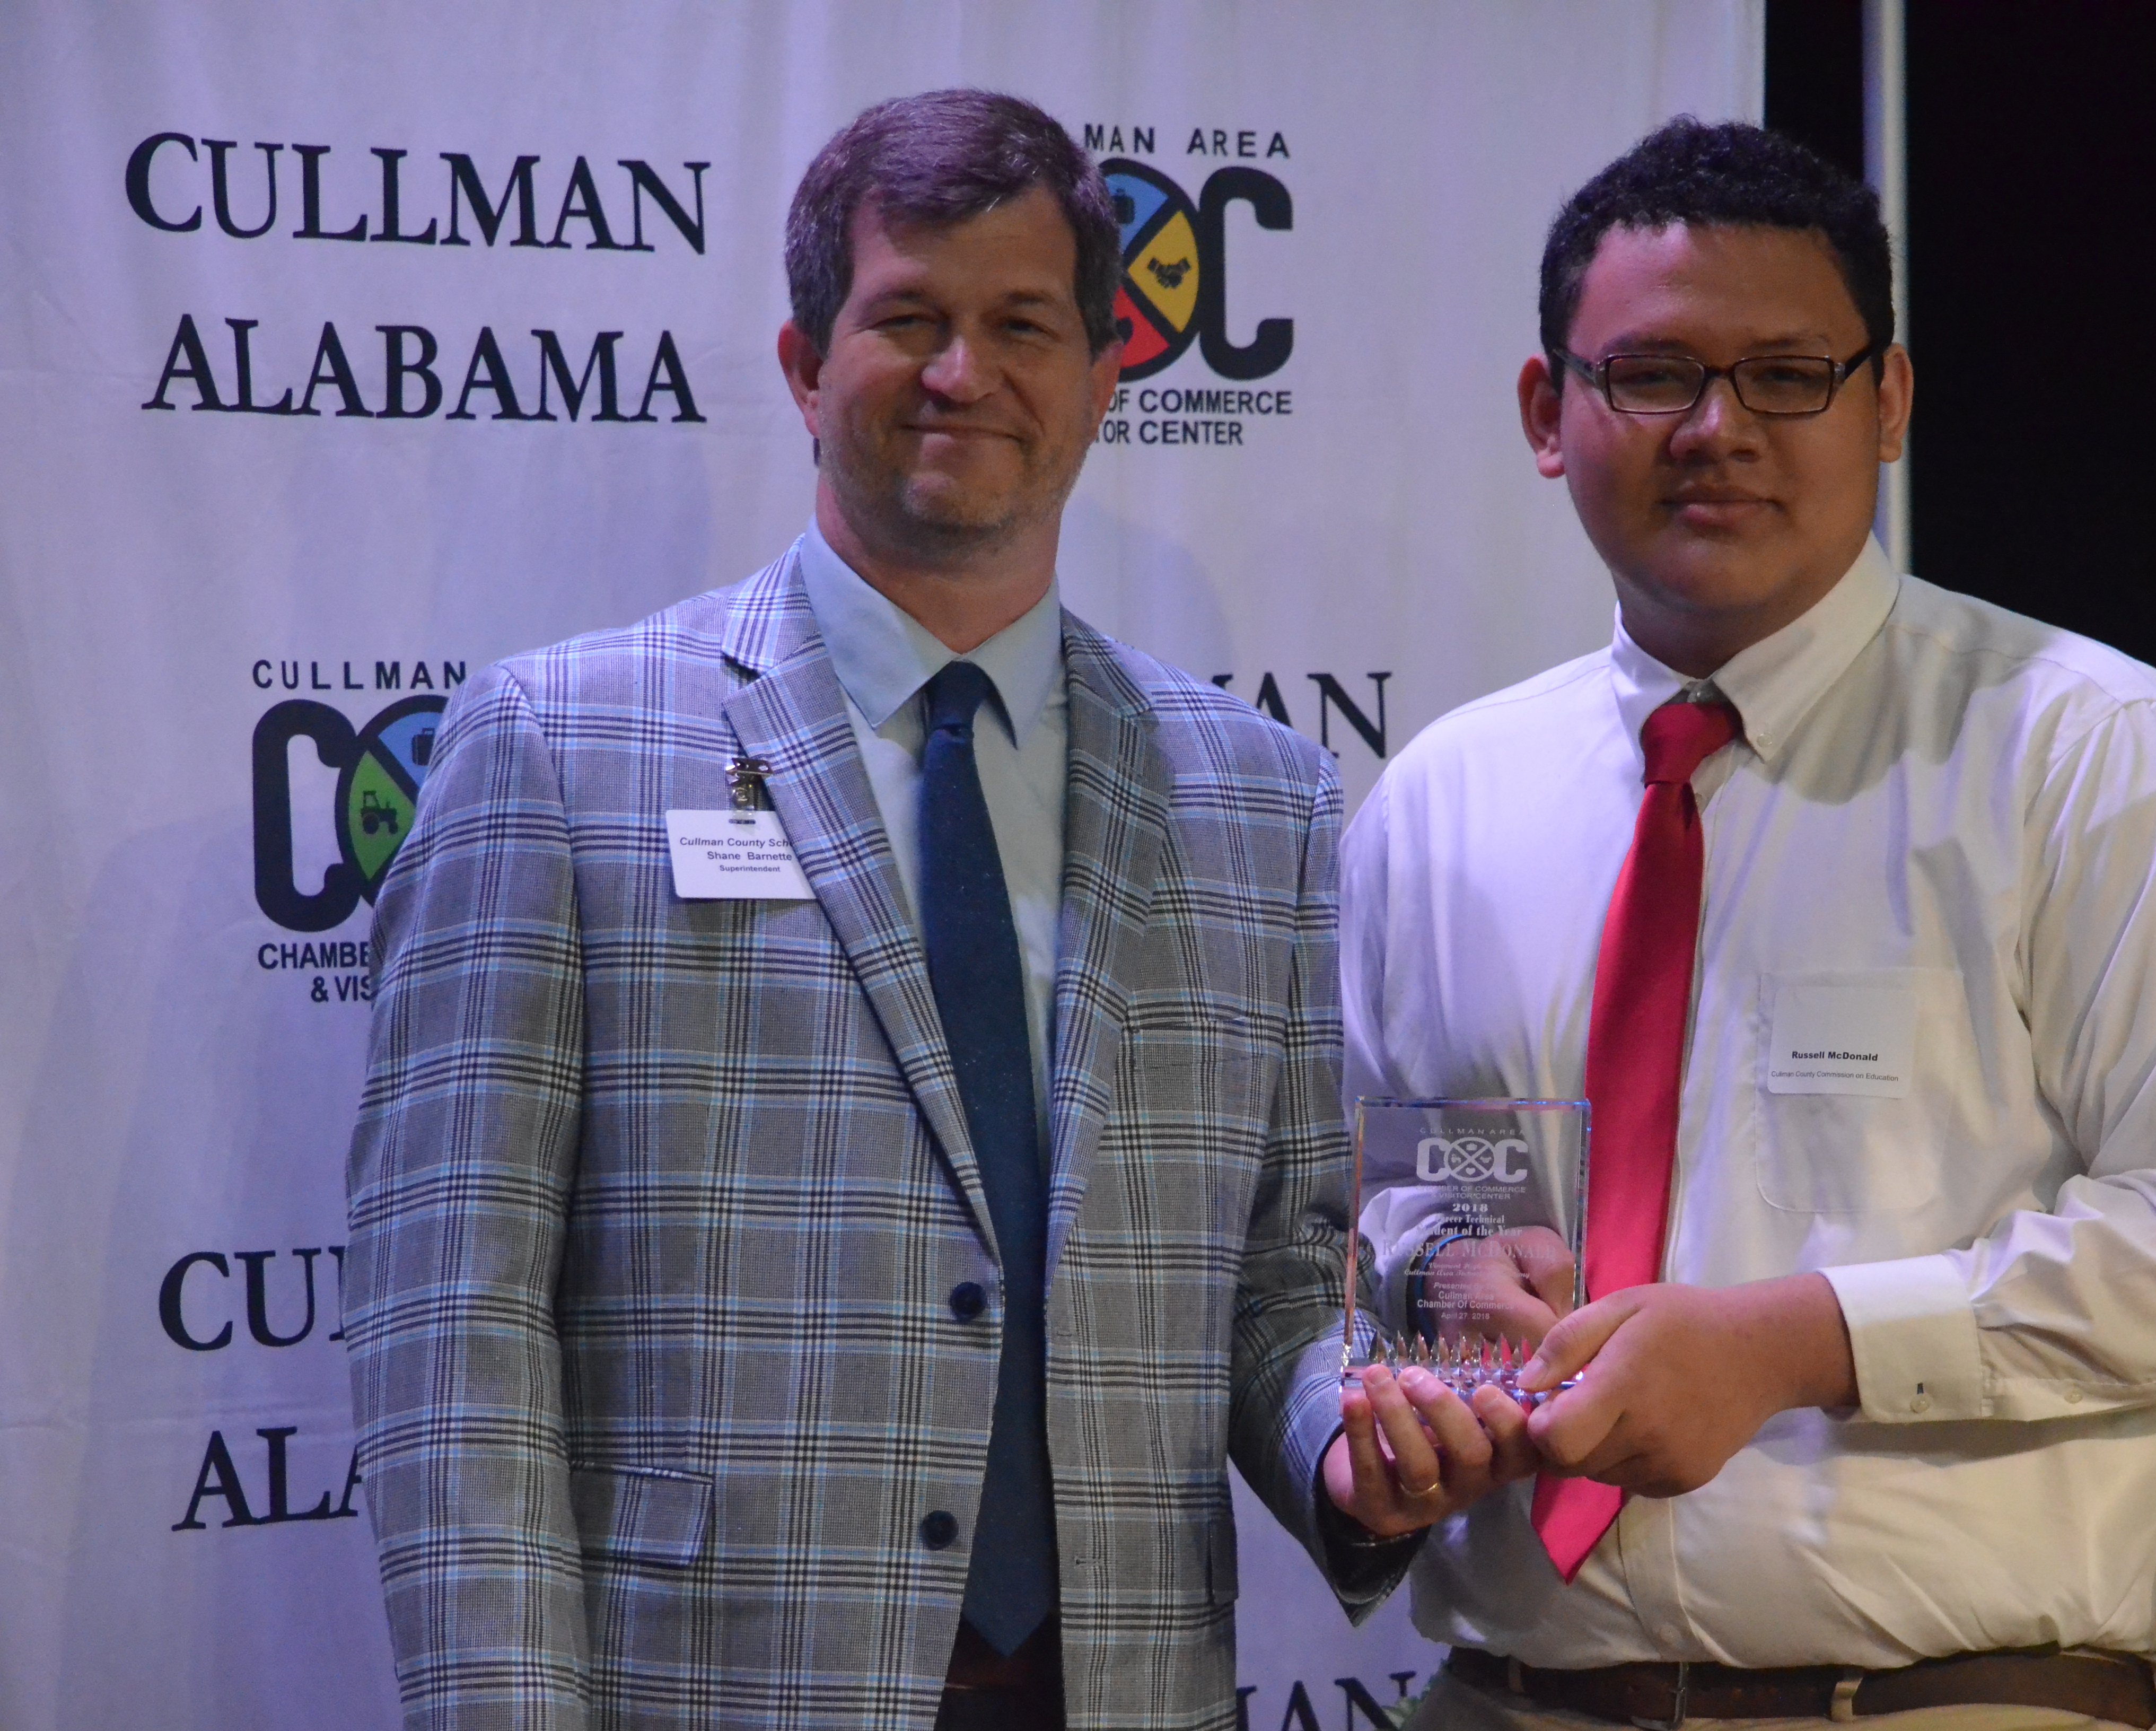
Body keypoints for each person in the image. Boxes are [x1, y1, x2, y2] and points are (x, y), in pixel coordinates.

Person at [343, 89, 1522, 1731]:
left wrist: (1350, 1439)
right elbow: (451, 1325)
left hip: (1125, 1692)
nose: (965, 373)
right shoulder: (557, 747)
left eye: (1023, 324)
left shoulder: (1259, 796)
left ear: (1105, 375)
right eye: (908, 319)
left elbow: (1276, 1273)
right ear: (803, 364)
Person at [1340, 118, 2156, 1730]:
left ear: (1887, 405)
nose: (1719, 429)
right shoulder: (1441, 803)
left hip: (1945, 1700)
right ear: (1549, 412)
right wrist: (1447, 1286)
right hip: (1514, 1696)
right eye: (1652, 375)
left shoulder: (2093, 753)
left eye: (1788, 376)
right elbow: (1388, 1205)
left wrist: (1797, 1343)